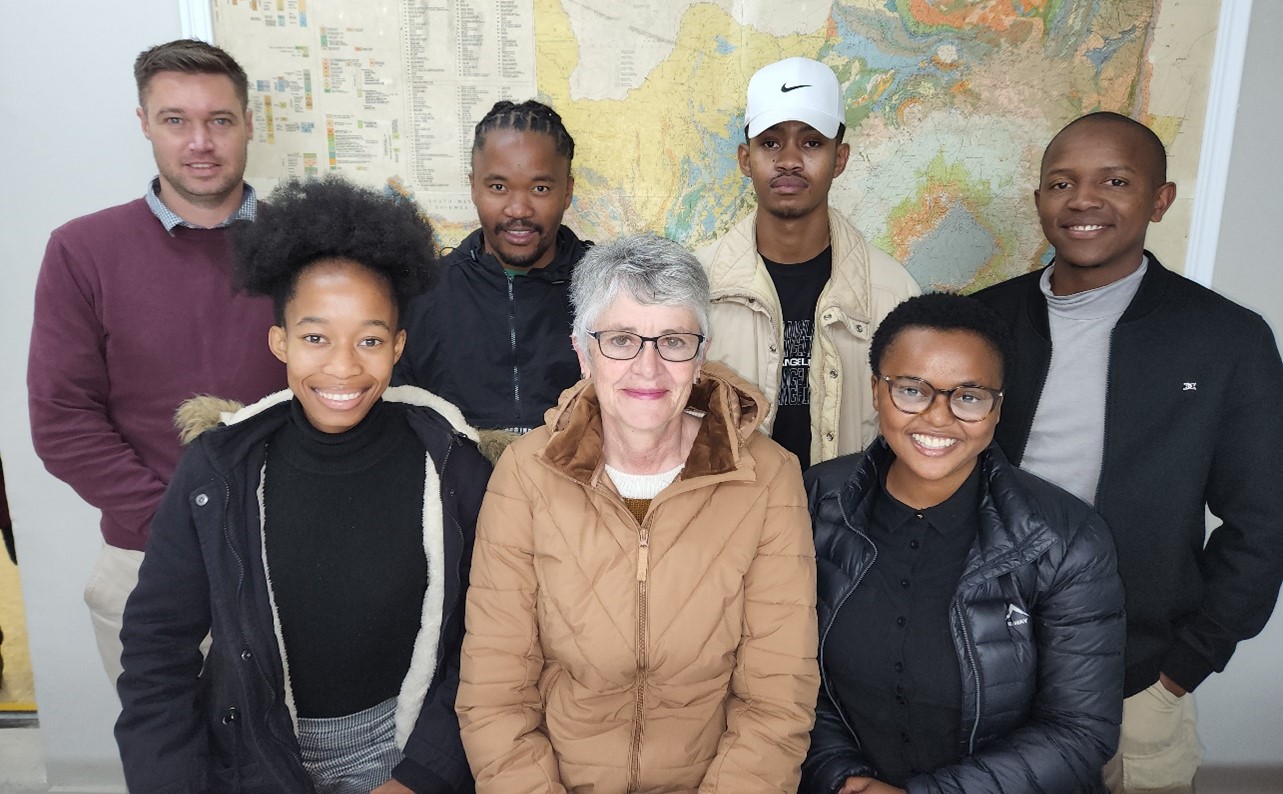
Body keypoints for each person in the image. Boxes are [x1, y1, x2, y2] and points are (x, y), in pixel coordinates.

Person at [115, 177, 491, 793]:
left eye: (370, 339)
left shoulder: (452, 465)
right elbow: (157, 650)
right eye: (316, 337)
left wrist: (423, 774)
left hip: (404, 749)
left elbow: (486, 641)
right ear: (280, 342)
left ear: (398, 346)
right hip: (256, 752)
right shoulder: (218, 472)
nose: (343, 366)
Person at [974, 111, 1283, 794]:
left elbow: (1262, 523)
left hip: (1137, 680)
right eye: (1061, 183)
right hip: (984, 667)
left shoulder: (1225, 339)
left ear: (1159, 199)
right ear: (1038, 203)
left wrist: (1178, 672)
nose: (1082, 200)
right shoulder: (982, 323)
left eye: (1114, 180)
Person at [456, 234, 819, 792]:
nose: (648, 369)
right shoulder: (525, 476)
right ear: (583, 351)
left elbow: (776, 698)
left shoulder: (768, 476)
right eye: (621, 340)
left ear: (700, 357)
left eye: (673, 341)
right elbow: (495, 695)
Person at [26, 39, 284, 684]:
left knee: (300, 764)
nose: (200, 142)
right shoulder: (81, 250)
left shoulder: (306, 247)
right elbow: (62, 421)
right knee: (171, 758)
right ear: (144, 124)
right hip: (146, 562)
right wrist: (178, 522)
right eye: (176, 120)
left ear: (248, 124)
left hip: (289, 555)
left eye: (220, 121)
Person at [802, 293, 1125, 794]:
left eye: (969, 396)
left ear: (998, 407)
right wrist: (843, 777)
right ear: (876, 390)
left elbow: (1078, 731)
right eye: (912, 390)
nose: (937, 417)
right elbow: (783, 671)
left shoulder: (1066, 539)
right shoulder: (813, 501)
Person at [699, 56, 920, 470]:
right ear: (746, 159)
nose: (789, 160)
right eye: (770, 142)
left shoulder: (894, 293)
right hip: (733, 523)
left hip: (847, 524)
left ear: (840, 159)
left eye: (812, 142)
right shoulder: (697, 286)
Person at [396, 99, 591, 434]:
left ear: (567, 191)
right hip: (460, 480)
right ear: (474, 187)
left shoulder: (610, 292)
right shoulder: (424, 295)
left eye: (540, 188)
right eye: (498, 187)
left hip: (572, 477)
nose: (518, 209)